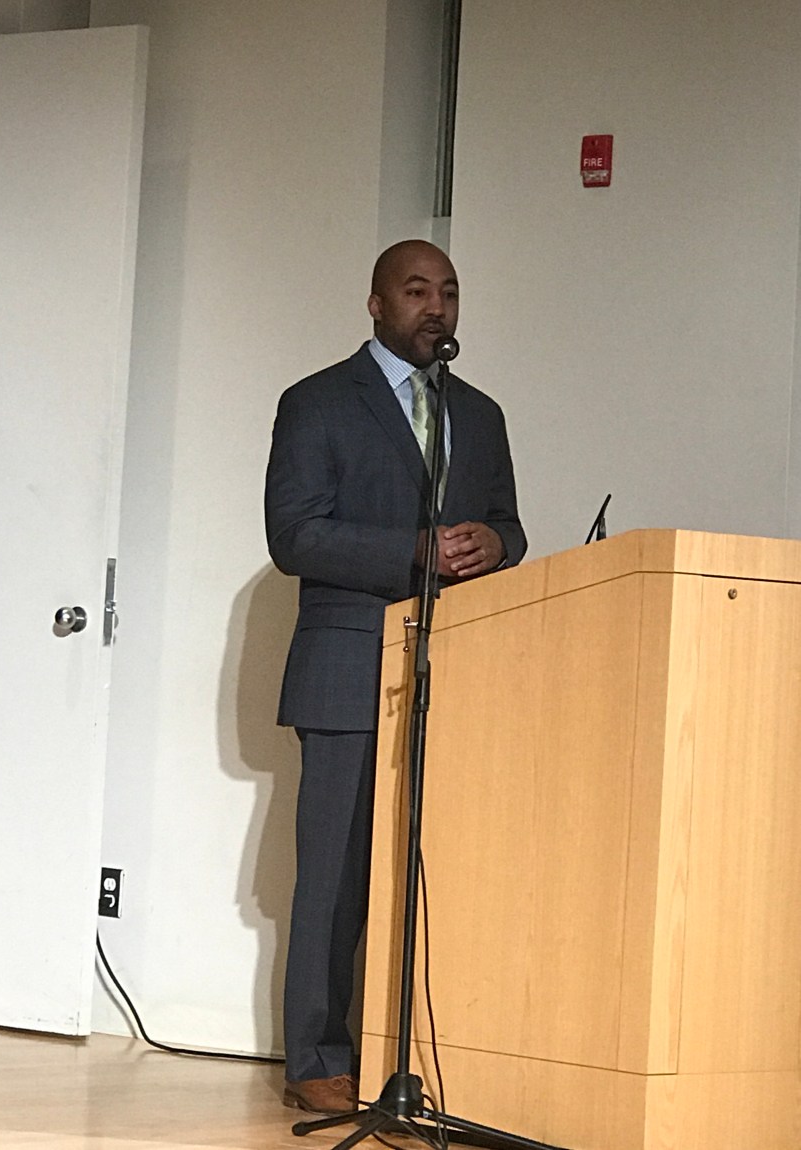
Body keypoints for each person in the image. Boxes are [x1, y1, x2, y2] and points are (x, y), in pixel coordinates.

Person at [264, 239, 527, 1115]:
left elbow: (508, 524)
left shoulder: (479, 413)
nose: (435, 306)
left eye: (447, 292)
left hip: (456, 668)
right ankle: (316, 1057)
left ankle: (409, 1056)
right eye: (415, 291)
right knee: (336, 876)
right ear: (376, 304)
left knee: (438, 871)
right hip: (346, 667)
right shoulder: (316, 402)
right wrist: (410, 550)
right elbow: (294, 535)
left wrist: (495, 543)